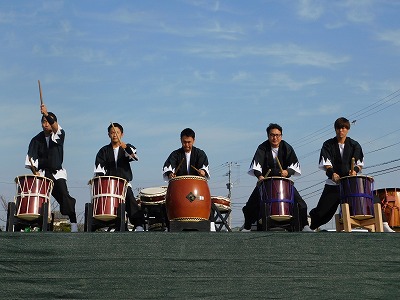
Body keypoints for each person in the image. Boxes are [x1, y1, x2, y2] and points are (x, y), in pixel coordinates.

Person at [309, 117, 394, 232]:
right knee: (323, 212)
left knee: (370, 198)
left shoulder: (354, 145)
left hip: (351, 183)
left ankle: (384, 224)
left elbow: (359, 164)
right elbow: (326, 164)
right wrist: (332, 174)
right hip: (334, 184)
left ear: (348, 129)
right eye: (338, 128)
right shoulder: (328, 144)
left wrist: (354, 170)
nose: (341, 130)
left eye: (344, 128)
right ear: (335, 129)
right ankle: (310, 226)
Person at [242, 123, 311, 232]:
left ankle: (304, 225)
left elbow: (294, 166)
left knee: (301, 203)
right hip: (265, 182)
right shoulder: (262, 147)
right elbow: (256, 166)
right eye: (272, 135)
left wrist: (287, 171)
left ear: (281, 136)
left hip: (284, 183)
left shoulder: (287, 147)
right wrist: (259, 176)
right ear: (268, 136)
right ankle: (248, 226)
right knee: (250, 205)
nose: (275, 138)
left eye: (278, 135)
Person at [25, 104, 78, 232]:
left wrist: (46, 113)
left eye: (49, 121)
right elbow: (31, 160)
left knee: (63, 196)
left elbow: (56, 128)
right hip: (42, 174)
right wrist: (35, 172)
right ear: (41, 124)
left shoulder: (59, 135)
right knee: (39, 198)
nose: (46, 124)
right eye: (44, 121)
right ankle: (36, 224)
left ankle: (73, 222)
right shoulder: (36, 140)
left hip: (57, 173)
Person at [94, 123, 144, 231]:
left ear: (122, 134)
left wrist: (125, 147)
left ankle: (138, 224)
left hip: (124, 183)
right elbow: (99, 170)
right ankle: (111, 224)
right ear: (108, 135)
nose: (114, 135)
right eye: (112, 133)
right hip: (109, 185)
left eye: (117, 132)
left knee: (130, 200)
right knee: (108, 203)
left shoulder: (126, 148)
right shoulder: (103, 151)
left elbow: (133, 156)